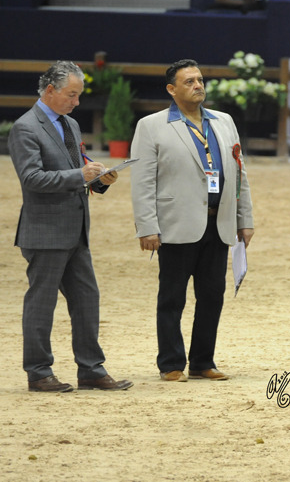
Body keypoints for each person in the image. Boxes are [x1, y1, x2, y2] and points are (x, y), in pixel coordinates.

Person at [9, 61, 133, 392]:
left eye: (78, 95)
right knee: (41, 303)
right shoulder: (25, 128)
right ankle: (38, 372)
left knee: (86, 299)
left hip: (75, 229)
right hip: (45, 231)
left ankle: (91, 369)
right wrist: (81, 175)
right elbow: (32, 179)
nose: (76, 102)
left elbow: (78, 171)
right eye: (72, 95)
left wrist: (100, 180)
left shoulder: (71, 125)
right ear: (50, 91)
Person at [131, 59, 255, 382]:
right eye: (189, 82)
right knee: (172, 297)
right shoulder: (151, 126)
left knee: (212, 295)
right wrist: (147, 226)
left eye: (200, 80)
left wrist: (245, 219)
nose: (198, 85)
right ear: (171, 89)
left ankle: (203, 361)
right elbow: (142, 182)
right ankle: (171, 363)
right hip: (175, 225)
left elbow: (240, 173)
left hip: (219, 223)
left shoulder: (225, 122)